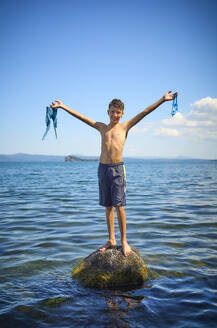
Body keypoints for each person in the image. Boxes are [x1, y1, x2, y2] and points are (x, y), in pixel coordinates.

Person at [50, 91, 177, 256]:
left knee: (119, 206)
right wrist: (63, 106)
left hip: (117, 169)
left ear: (122, 114)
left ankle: (124, 240)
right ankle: (111, 239)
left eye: (118, 112)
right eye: (112, 112)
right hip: (102, 169)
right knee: (108, 206)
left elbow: (144, 112)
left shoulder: (125, 126)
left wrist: (162, 100)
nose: (115, 115)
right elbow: (81, 117)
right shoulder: (101, 127)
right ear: (108, 112)